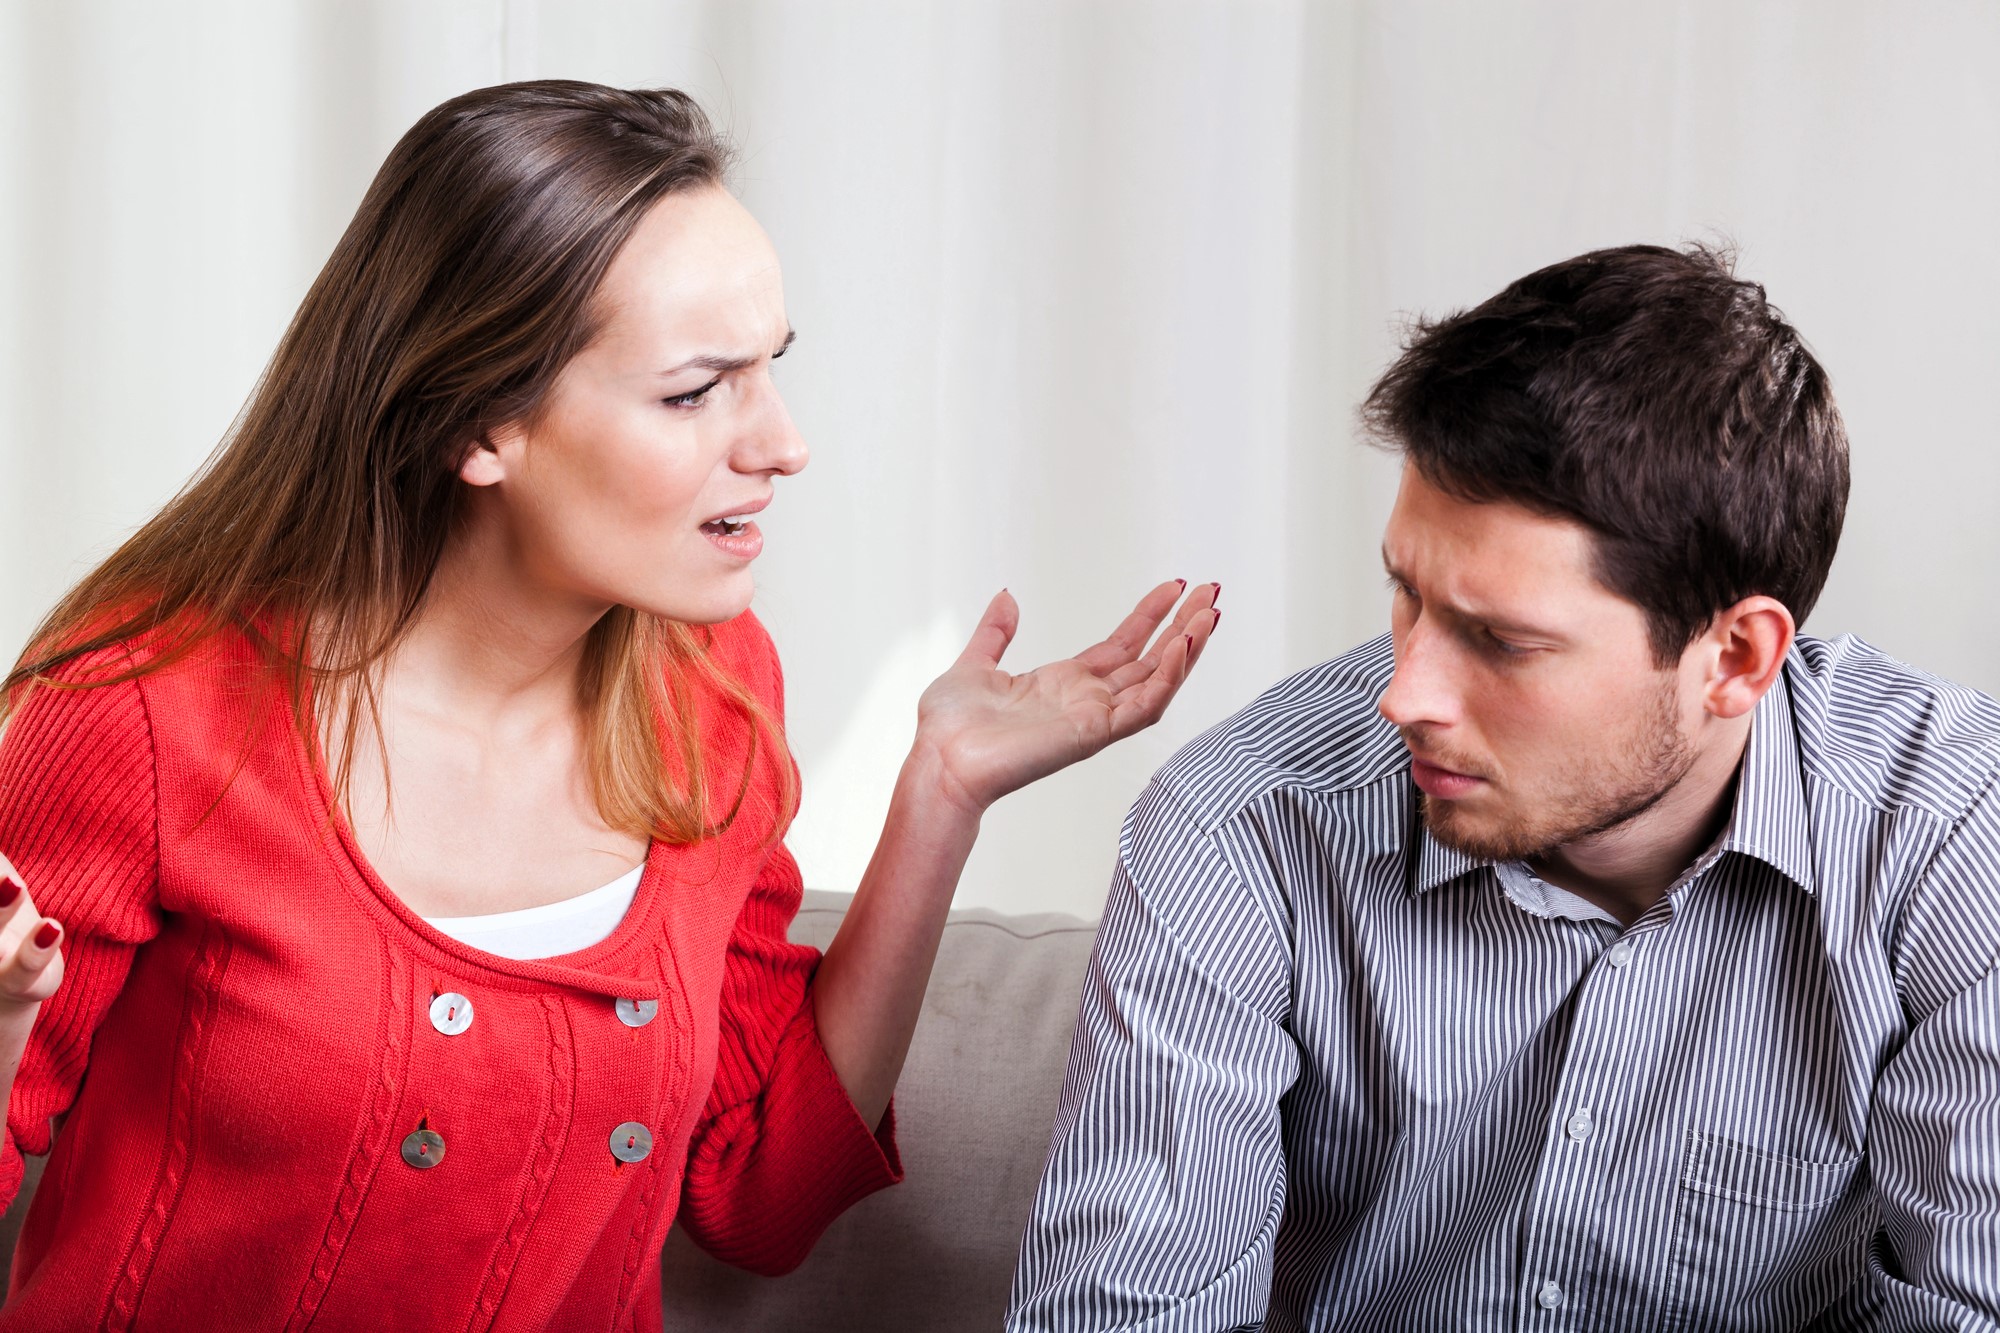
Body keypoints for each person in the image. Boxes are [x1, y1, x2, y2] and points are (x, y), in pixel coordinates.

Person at [0, 81, 1220, 1329]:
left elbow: (760, 1197)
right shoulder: (140, 706)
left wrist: (943, 792)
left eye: (770, 372)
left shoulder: (711, 693)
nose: (783, 443)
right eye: (695, 392)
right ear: (480, 422)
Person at [1006, 244, 2000, 1331]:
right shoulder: (1244, 827)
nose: (1404, 693)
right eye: (1406, 594)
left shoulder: (1950, 835)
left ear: (1734, 658)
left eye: (1501, 640)